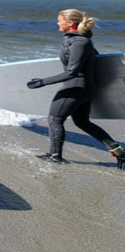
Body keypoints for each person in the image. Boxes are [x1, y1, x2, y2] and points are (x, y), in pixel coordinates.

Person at [27, 9, 124, 168]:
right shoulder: (81, 41)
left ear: (70, 23)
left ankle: (55, 155)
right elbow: (96, 61)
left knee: (54, 118)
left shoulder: (79, 43)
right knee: (81, 121)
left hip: (76, 87)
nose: (57, 23)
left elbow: (73, 71)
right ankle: (119, 152)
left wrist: (43, 82)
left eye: (59, 20)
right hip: (84, 88)